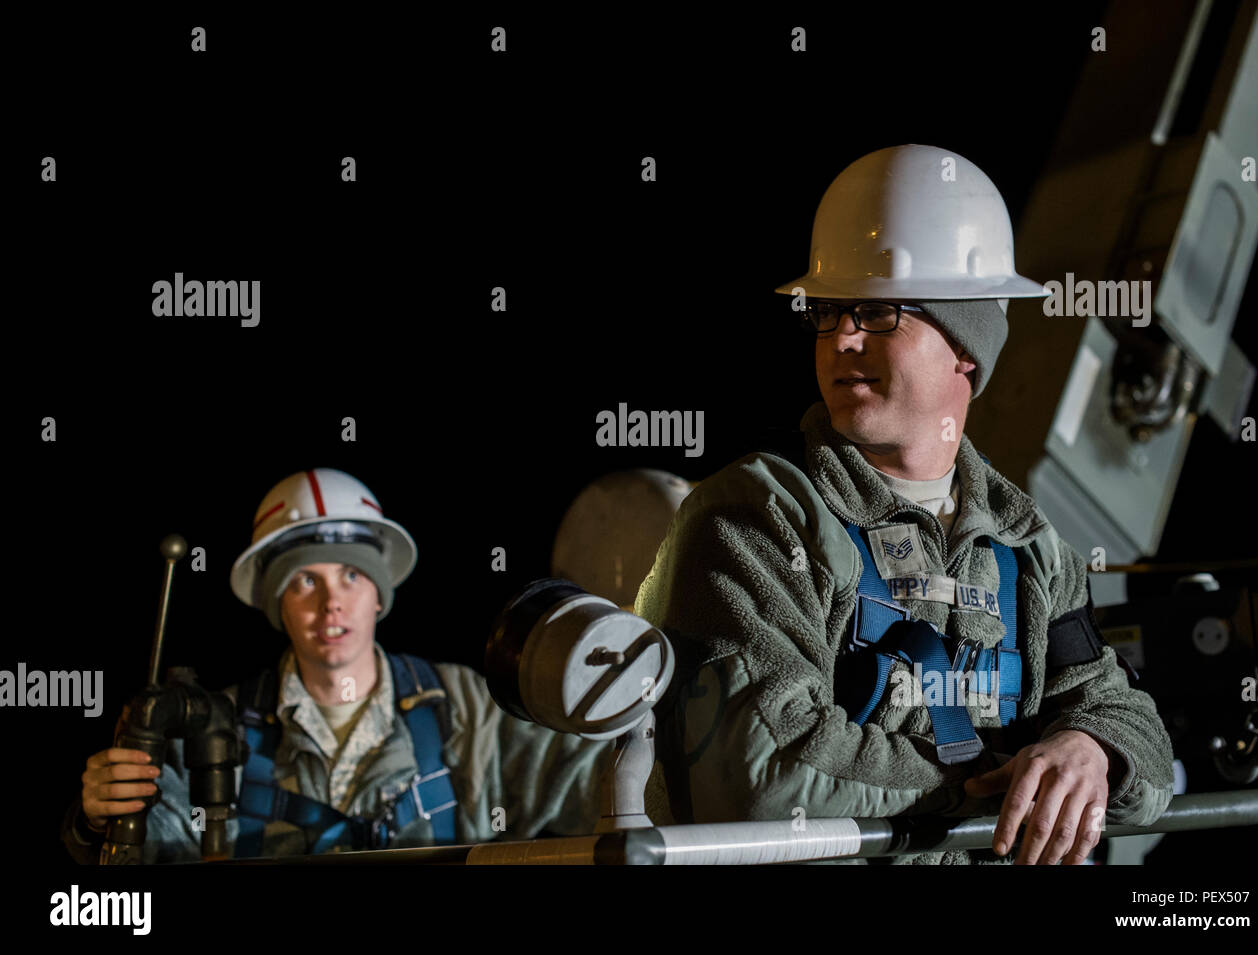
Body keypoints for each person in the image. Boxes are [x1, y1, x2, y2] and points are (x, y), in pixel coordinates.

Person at [635, 145, 1175, 865]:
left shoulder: (1027, 549)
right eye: (829, 314)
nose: (842, 338)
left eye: (878, 312)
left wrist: (1091, 750)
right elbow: (761, 779)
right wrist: (993, 788)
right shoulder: (757, 518)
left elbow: (1128, 719)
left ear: (967, 346)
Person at [64, 468, 611, 863]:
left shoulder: (466, 705)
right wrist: (101, 817)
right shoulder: (218, 726)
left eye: (351, 576)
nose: (332, 603)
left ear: (379, 594)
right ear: (277, 604)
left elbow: (594, 784)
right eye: (306, 580)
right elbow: (154, 853)